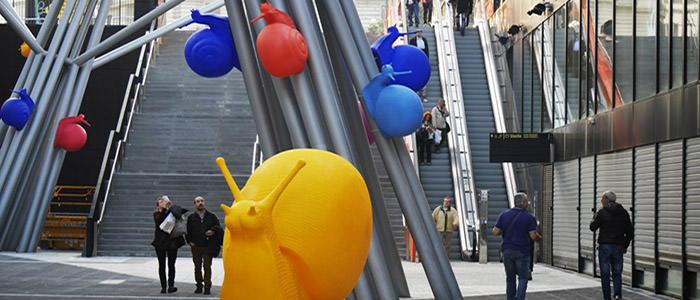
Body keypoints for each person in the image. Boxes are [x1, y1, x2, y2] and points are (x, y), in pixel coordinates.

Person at [492, 193, 541, 300]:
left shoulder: (504, 215)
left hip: (507, 251)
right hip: (522, 251)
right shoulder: (529, 217)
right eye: (527, 201)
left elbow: (495, 232)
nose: (527, 203)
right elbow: (533, 236)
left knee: (510, 278)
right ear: (523, 203)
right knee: (523, 278)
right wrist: (539, 238)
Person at [590, 191, 633, 300]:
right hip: (618, 247)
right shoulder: (623, 213)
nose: (601, 200)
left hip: (605, 247)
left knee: (605, 274)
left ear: (607, 199)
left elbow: (592, 227)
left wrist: (594, 216)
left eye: (602, 198)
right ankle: (617, 296)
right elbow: (630, 231)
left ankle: (607, 298)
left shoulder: (602, 212)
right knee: (617, 273)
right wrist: (625, 245)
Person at [151, 195, 187, 294]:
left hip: (172, 242)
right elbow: (159, 222)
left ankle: (171, 285)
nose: (163, 202)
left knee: (171, 264)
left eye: (164, 201)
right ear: (158, 204)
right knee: (161, 265)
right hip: (160, 243)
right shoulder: (156, 214)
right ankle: (163, 286)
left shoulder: (172, 211)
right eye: (161, 201)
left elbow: (180, 213)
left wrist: (170, 206)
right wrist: (163, 209)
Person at [187, 196, 222, 295]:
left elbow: (218, 227)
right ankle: (199, 285)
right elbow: (188, 231)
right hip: (196, 246)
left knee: (207, 266)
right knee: (197, 267)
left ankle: (207, 286)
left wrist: (213, 231)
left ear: (204, 203)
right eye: (198, 201)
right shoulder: (191, 217)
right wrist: (189, 241)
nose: (200, 203)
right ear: (195, 204)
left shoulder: (211, 216)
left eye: (202, 201)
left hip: (208, 246)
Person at [409, 29, 430, 100]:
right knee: (416, 75)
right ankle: (417, 94)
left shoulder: (424, 40)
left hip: (423, 59)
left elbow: (427, 50)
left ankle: (424, 94)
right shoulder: (412, 41)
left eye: (420, 32)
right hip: (415, 60)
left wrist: (427, 59)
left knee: (423, 75)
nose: (419, 33)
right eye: (417, 32)